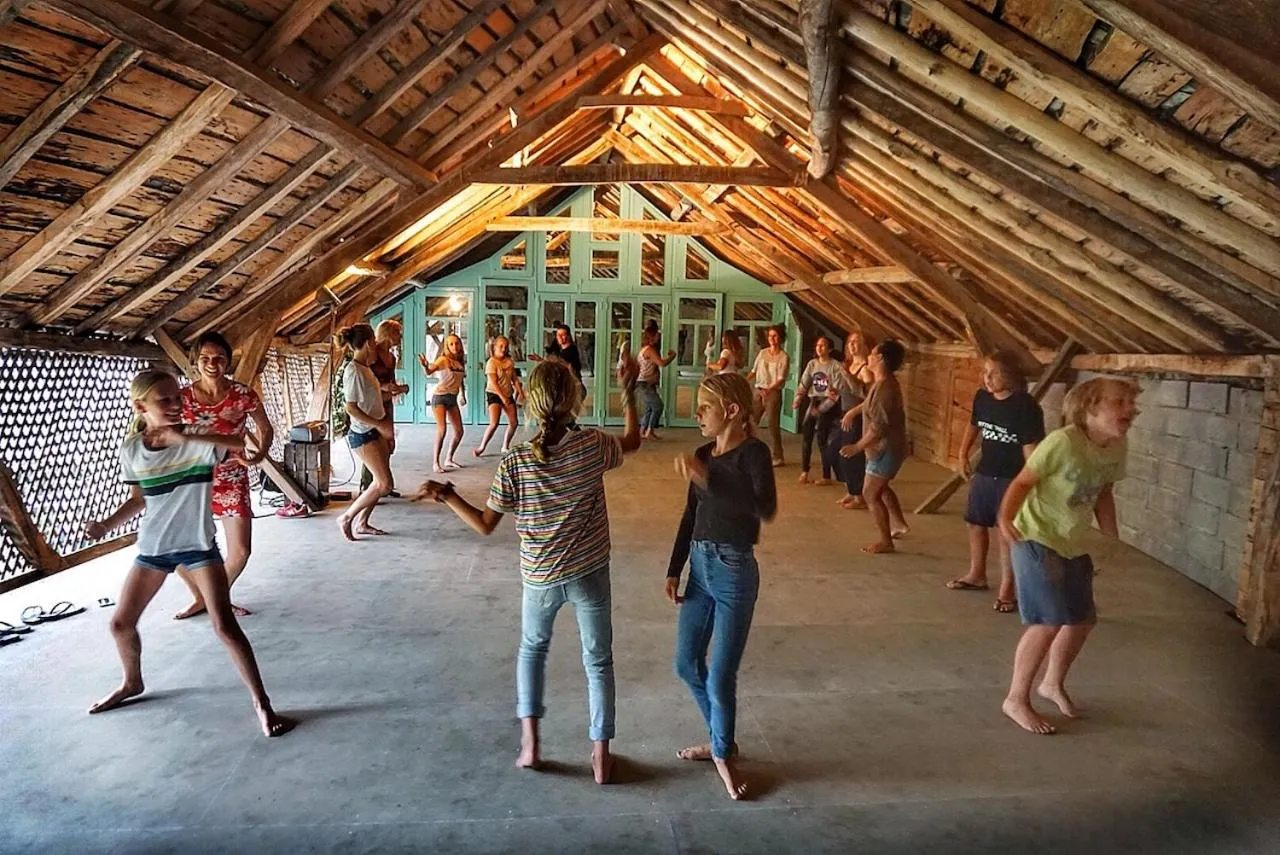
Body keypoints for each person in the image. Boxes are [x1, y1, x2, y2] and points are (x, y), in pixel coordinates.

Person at [415, 356, 642, 784]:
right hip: (590, 570)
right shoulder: (592, 445)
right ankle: (600, 755)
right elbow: (632, 440)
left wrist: (447, 495)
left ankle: (531, 745)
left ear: (529, 401)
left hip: (539, 576)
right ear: (575, 398)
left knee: (532, 651)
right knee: (598, 660)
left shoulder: (516, 461)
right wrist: (627, 389)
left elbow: (485, 524)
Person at [82, 369, 294, 737]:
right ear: (139, 407)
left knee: (224, 626)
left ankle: (262, 702)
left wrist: (184, 434)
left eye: (176, 398)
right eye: (163, 400)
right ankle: (132, 682)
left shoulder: (197, 439)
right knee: (120, 624)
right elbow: (138, 500)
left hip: (198, 548)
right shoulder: (132, 450)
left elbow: (237, 438)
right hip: (153, 549)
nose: (174, 405)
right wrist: (106, 524)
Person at [997, 377, 1136, 735]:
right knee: (1048, 620)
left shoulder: (1116, 446)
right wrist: (1003, 518)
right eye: (1119, 402)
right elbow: (1023, 482)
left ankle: (1052, 683)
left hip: (1073, 541)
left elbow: (1104, 492)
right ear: (1090, 407)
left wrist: (1111, 538)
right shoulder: (1062, 443)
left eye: (1131, 403)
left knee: (1082, 619)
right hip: (1035, 534)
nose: (1130, 410)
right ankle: (1015, 698)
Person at [667, 372, 776, 801]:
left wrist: (709, 480)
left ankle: (721, 754)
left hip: (733, 570)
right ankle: (721, 740)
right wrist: (674, 567)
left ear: (731, 411)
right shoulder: (702, 454)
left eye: (705, 407)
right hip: (700, 566)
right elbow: (690, 516)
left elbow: (762, 509)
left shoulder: (754, 454)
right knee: (686, 663)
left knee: (721, 675)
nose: (697, 415)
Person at [173, 331, 273, 620]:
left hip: (232, 479)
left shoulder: (243, 395)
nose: (212, 363)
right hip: (193, 480)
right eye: (205, 358)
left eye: (219, 358)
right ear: (195, 361)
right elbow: (163, 432)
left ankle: (213, 599)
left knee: (240, 551)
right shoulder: (182, 398)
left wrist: (259, 454)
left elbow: (266, 429)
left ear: (228, 362)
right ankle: (205, 599)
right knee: (174, 545)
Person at [946, 352, 1046, 614]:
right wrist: (962, 452)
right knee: (975, 523)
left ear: (1011, 377)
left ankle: (1008, 589)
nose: (987, 378)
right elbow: (974, 425)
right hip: (985, 471)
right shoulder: (982, 398)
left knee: (1006, 533)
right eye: (985, 372)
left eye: (994, 373)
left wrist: (1032, 481)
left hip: (1012, 477)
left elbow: (1031, 448)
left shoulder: (1025, 406)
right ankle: (976, 573)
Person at [839, 340, 909, 553]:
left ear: (880, 360)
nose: (868, 356)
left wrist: (857, 447)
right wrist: (853, 411)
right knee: (882, 487)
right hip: (881, 448)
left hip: (884, 449)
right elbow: (869, 402)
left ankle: (886, 541)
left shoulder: (885, 389)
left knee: (870, 493)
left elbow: (878, 428)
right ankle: (900, 524)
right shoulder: (881, 383)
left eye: (873, 353)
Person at [337, 324, 395, 540]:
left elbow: (370, 398)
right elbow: (351, 407)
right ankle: (347, 517)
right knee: (384, 484)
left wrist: (388, 393)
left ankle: (362, 522)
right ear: (369, 344)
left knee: (378, 482)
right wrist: (378, 424)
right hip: (363, 434)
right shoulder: (353, 371)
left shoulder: (364, 367)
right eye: (374, 343)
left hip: (374, 430)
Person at [359, 319, 409, 497]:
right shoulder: (372, 353)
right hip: (374, 402)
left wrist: (399, 388)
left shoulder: (392, 357)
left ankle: (382, 481)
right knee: (371, 442)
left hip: (387, 403)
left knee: (388, 443)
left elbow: (391, 381)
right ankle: (369, 485)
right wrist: (383, 387)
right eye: (398, 333)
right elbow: (366, 379)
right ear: (389, 333)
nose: (400, 337)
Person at [791, 335, 848, 485]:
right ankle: (805, 470)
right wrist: (797, 399)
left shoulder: (835, 366)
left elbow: (835, 394)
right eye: (818, 345)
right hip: (814, 400)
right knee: (807, 436)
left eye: (823, 346)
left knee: (822, 440)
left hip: (828, 404)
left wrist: (822, 409)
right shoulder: (812, 364)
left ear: (829, 349)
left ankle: (826, 475)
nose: (819, 348)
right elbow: (804, 382)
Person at [832, 331, 875, 510]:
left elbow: (866, 396)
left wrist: (852, 413)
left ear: (865, 346)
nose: (852, 345)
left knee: (853, 455)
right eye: (850, 342)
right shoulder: (849, 365)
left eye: (857, 342)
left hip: (856, 416)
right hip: (844, 413)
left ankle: (859, 495)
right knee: (838, 452)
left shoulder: (865, 369)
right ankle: (851, 490)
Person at [418, 333, 467, 473]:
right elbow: (429, 371)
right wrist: (424, 365)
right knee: (442, 429)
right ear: (446, 346)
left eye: (457, 343)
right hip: (440, 397)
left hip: (452, 398)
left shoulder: (459, 362)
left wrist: (462, 395)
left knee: (459, 431)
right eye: (451, 344)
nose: (455, 346)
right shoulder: (443, 360)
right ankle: (435, 462)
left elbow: (460, 380)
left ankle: (449, 459)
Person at [747, 325, 789, 467]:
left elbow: (781, 378)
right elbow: (754, 371)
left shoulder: (783, 357)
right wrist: (743, 381)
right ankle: (748, 453)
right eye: (770, 336)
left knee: (772, 425)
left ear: (780, 338)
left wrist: (769, 390)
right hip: (758, 390)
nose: (772, 338)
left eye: (775, 336)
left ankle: (778, 455)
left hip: (773, 393)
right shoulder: (762, 353)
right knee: (751, 421)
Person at [475, 335, 523, 457]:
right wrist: (502, 398)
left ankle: (505, 445)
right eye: (501, 346)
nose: (503, 348)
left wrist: (521, 392)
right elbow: (494, 383)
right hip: (494, 393)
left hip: (507, 393)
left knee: (514, 422)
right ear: (495, 347)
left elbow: (515, 379)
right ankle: (482, 447)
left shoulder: (509, 361)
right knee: (494, 423)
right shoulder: (491, 362)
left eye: (506, 346)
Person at [636, 325, 676, 440]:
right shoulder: (649, 350)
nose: (659, 336)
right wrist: (672, 356)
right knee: (658, 406)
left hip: (646, 383)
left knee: (650, 408)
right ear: (652, 336)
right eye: (657, 334)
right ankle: (649, 430)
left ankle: (643, 430)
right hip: (644, 383)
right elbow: (662, 363)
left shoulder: (646, 348)